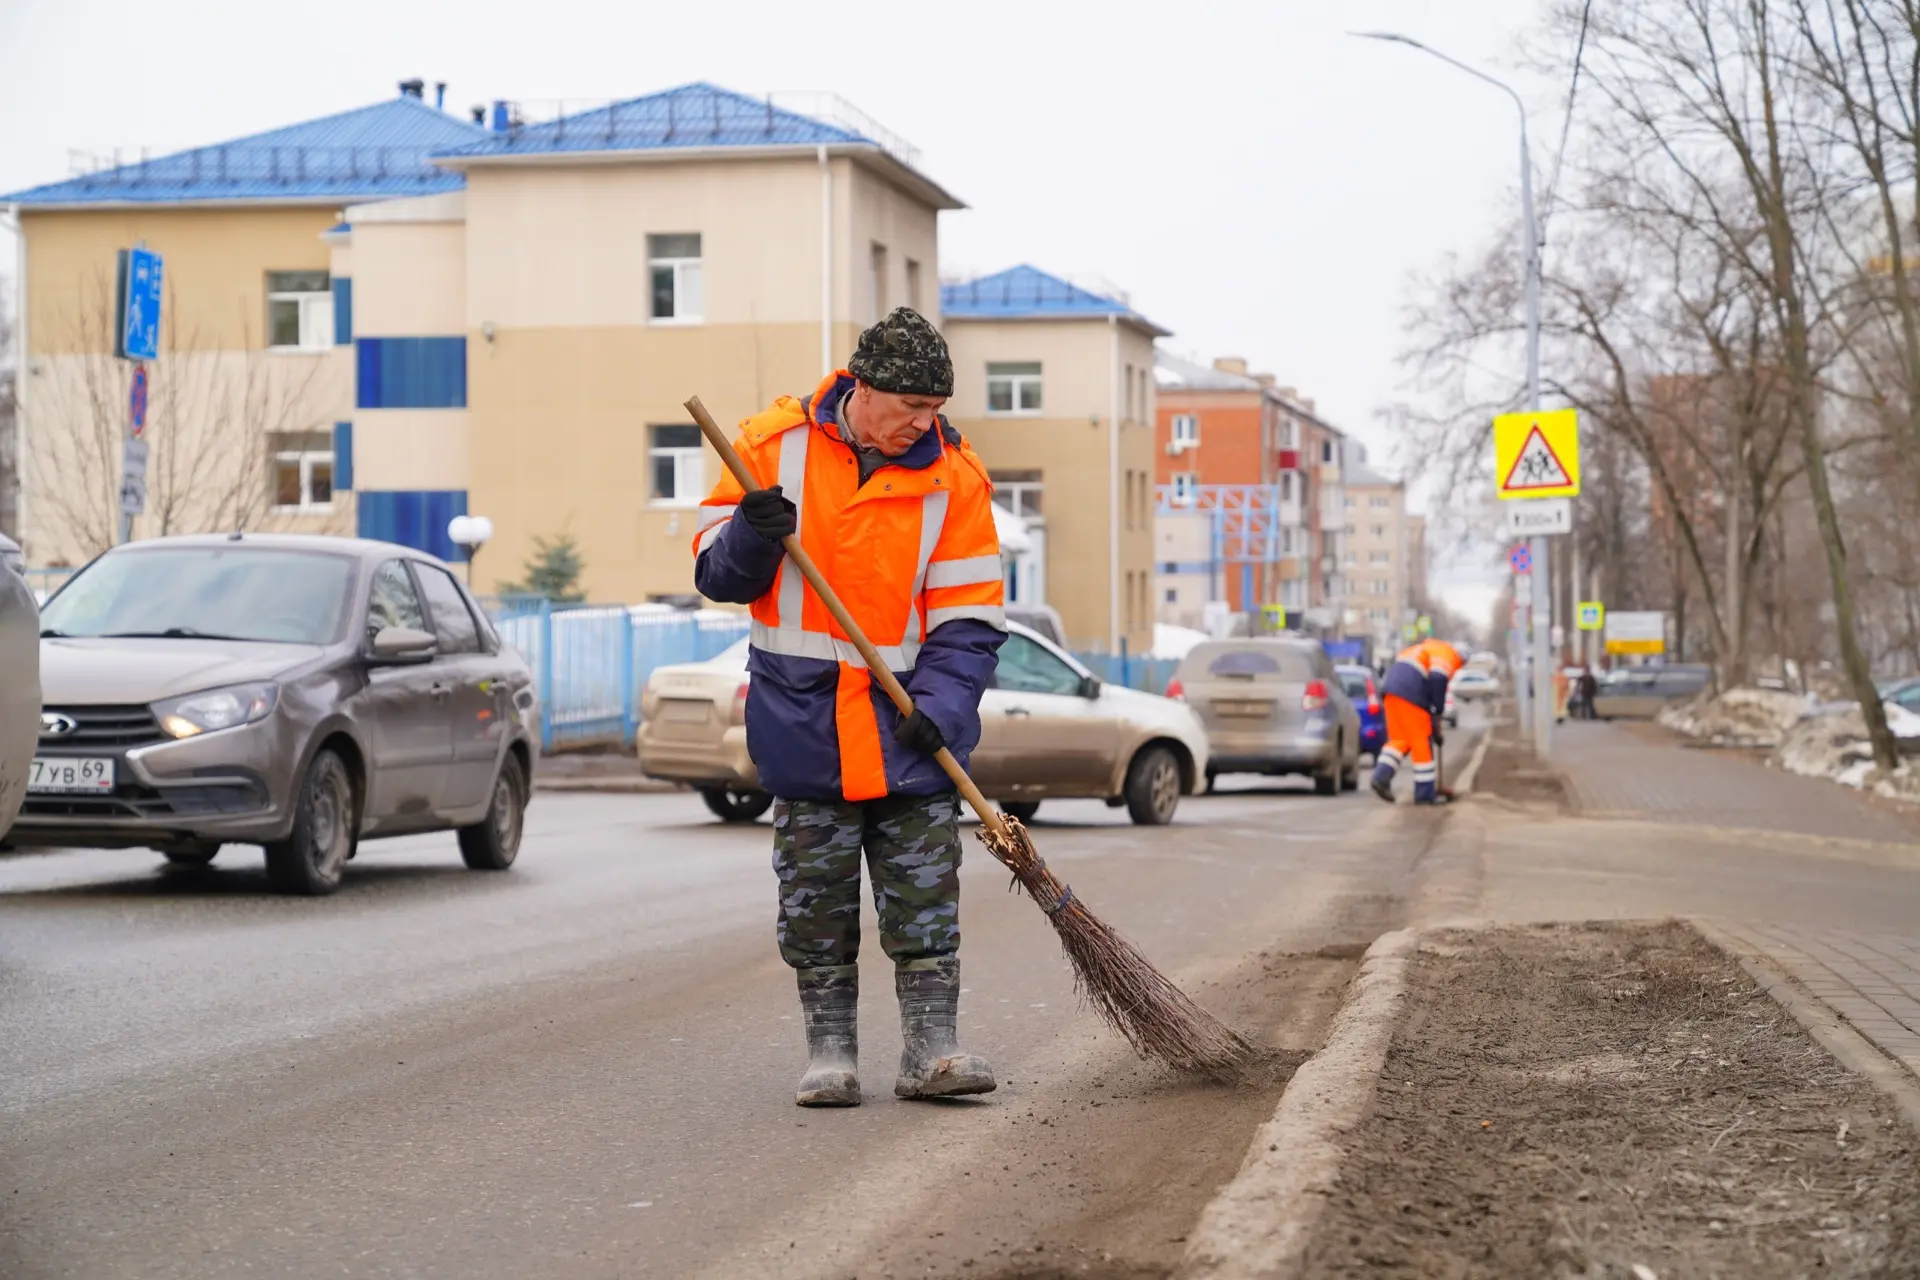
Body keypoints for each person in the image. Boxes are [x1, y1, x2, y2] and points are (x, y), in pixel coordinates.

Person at [693, 308, 1008, 1108]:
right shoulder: (770, 447)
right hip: (805, 727)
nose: (923, 423)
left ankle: (932, 1051)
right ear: (863, 389)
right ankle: (830, 1055)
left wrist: (941, 706)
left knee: (924, 897)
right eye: (911, 406)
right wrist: (752, 533)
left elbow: (969, 621)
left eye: (934, 409)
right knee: (815, 904)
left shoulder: (955, 479)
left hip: (910, 731)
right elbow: (718, 576)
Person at [1370, 637, 1465, 805]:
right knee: (1421, 743)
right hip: (1411, 693)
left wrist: (1434, 719)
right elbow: (1438, 679)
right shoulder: (1449, 654)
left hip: (1391, 691)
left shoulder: (1422, 649)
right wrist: (1437, 711)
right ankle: (1425, 794)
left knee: (1399, 740)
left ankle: (1381, 777)